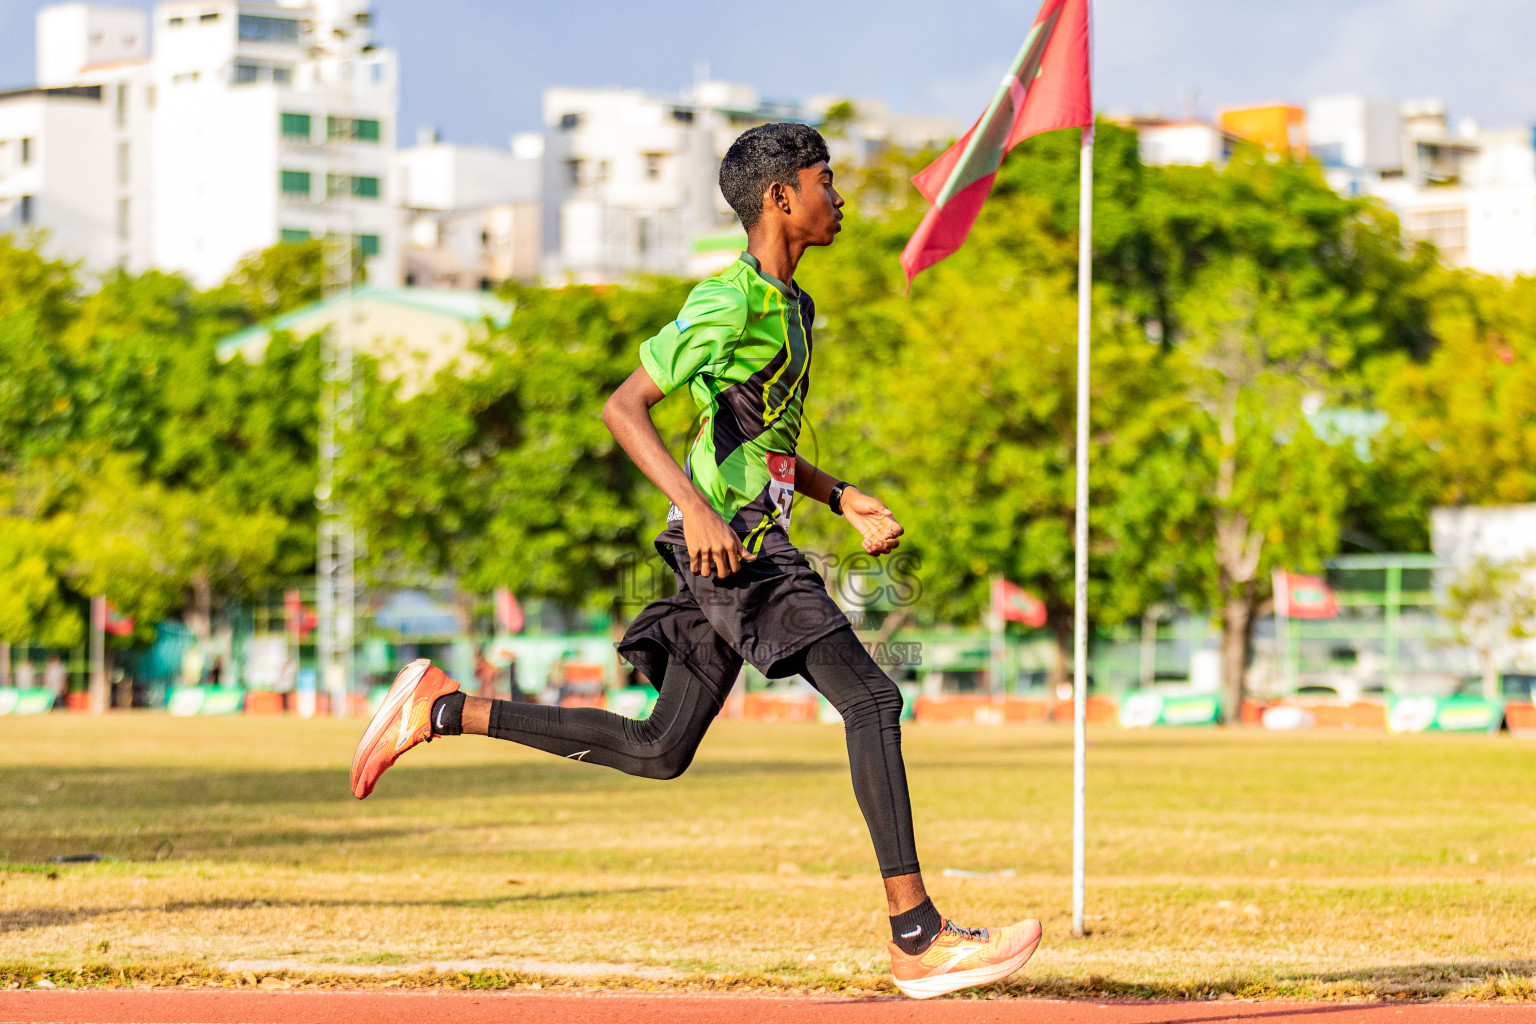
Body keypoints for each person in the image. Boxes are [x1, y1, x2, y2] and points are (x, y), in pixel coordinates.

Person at [349, 123, 1041, 999]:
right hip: (737, 545)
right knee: (872, 696)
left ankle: (442, 709)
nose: (841, 198)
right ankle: (918, 936)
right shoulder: (730, 298)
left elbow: (763, 436)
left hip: (736, 539)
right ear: (781, 197)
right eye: (827, 180)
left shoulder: (795, 307)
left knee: (658, 748)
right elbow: (625, 407)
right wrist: (695, 505)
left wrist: (840, 494)